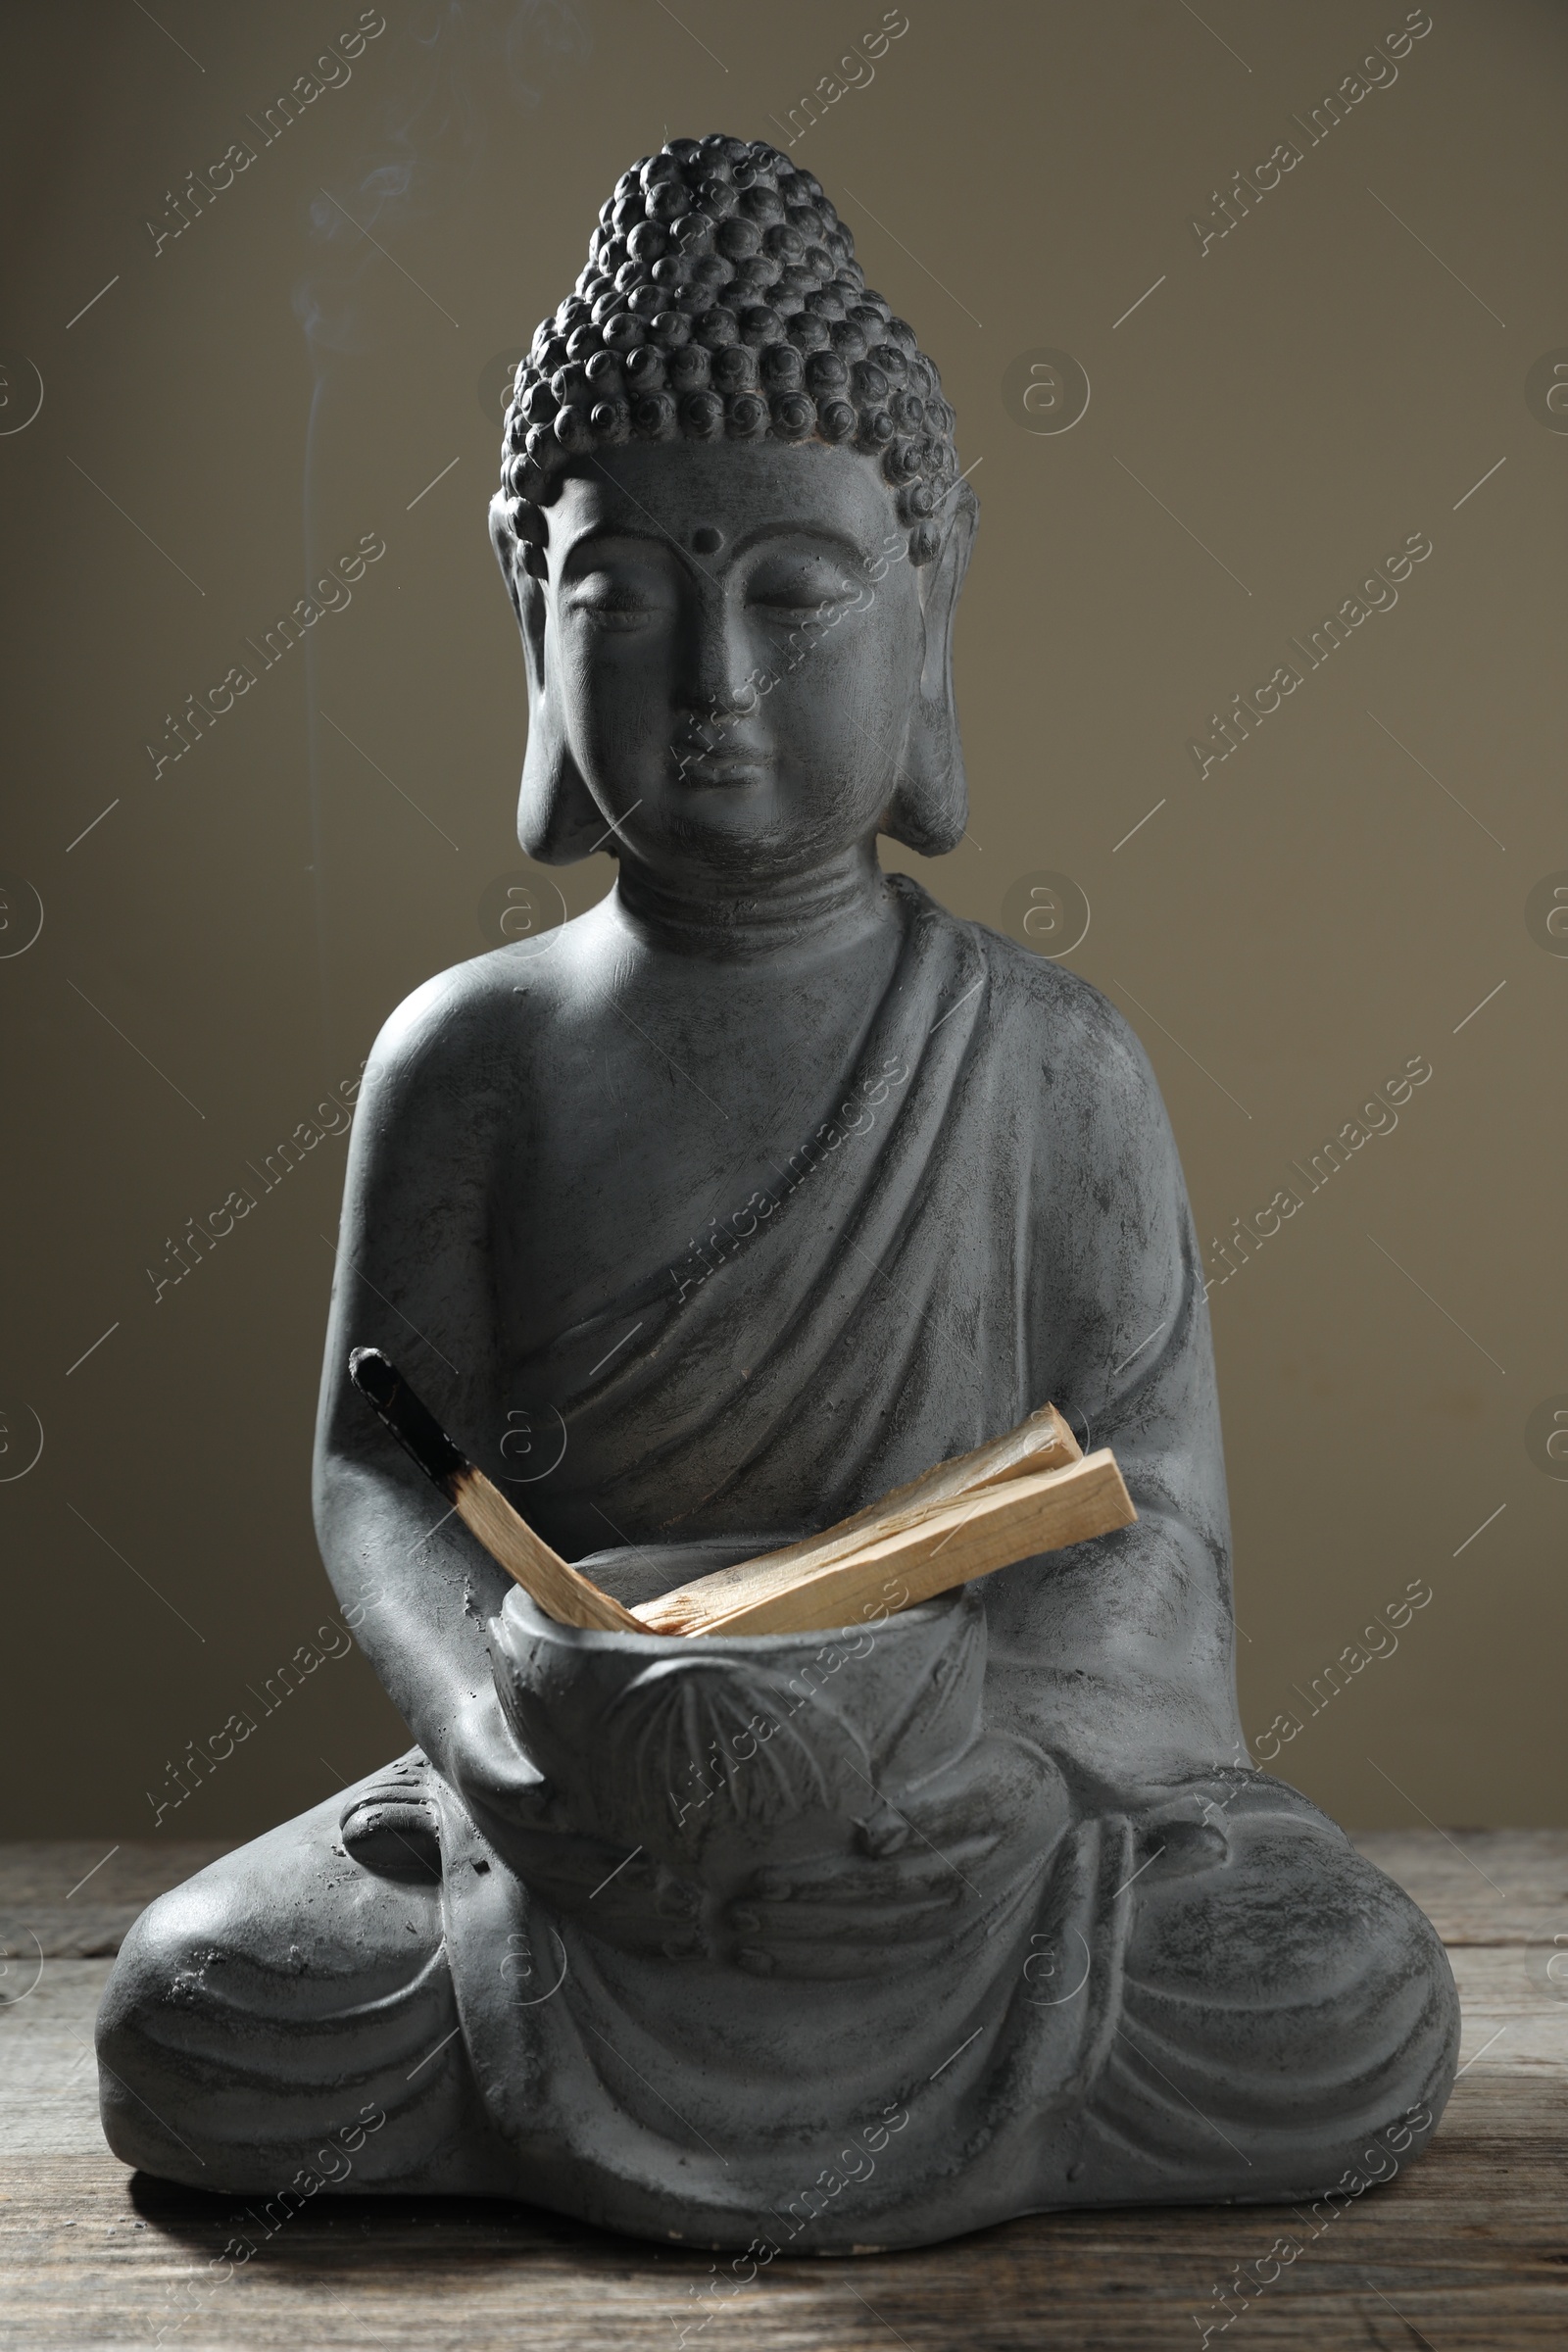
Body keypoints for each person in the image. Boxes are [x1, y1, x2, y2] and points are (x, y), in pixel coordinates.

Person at [98, 134, 1458, 2252]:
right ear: (517, 609)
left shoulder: (1046, 1061)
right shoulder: (468, 1057)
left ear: (926, 606)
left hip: (957, 1836)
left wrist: (991, 1765)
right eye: (619, 600)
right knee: (203, 2004)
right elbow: (385, 1471)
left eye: (791, 599)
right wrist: (494, 1735)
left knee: (1329, 1997)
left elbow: (1153, 1522)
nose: (710, 687)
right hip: (569, 1819)